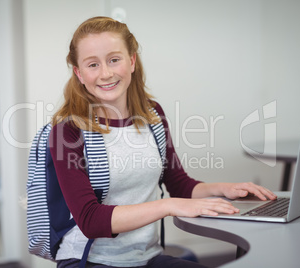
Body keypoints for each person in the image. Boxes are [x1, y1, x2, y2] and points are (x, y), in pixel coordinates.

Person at [49, 16, 277, 268]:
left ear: (132, 61)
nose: (106, 73)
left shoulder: (152, 114)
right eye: (93, 65)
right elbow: (90, 221)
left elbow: (178, 183)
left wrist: (224, 188)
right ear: (79, 73)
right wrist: (168, 206)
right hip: (89, 261)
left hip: (147, 257)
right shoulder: (67, 131)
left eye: (114, 59)